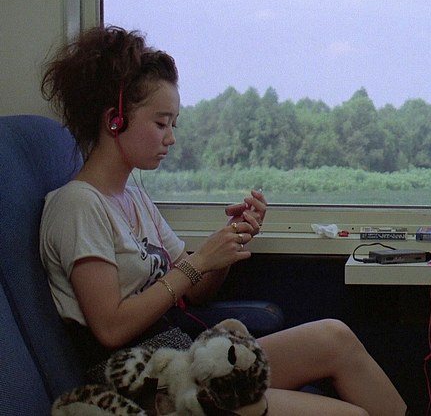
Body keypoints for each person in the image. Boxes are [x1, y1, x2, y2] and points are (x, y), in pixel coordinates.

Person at [40, 25, 407, 416]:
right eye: (161, 124)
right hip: (149, 386)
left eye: (174, 125)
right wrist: (198, 261)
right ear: (114, 120)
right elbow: (110, 328)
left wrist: (230, 242)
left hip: (185, 360)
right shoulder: (78, 205)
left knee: (334, 337)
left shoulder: (134, 198)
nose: (171, 138)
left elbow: (197, 292)